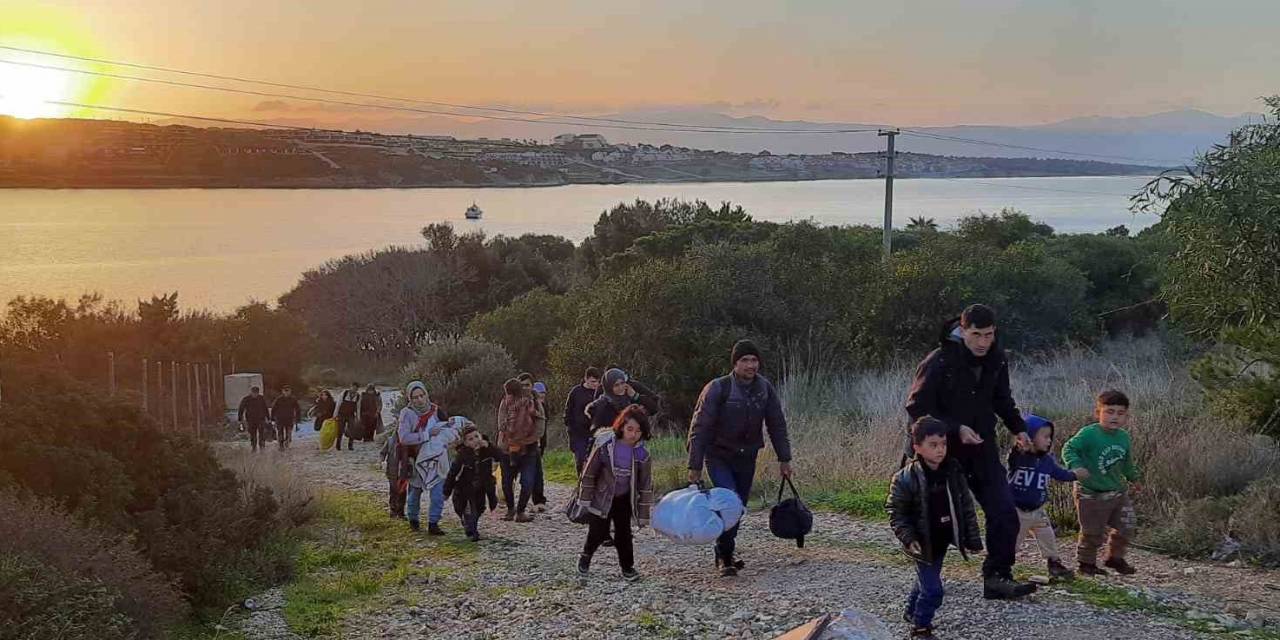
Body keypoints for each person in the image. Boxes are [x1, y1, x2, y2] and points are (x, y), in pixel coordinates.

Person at [904, 304, 1037, 600]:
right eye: (976, 334)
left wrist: (1019, 428)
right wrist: (955, 428)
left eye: (988, 335)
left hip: (982, 447)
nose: (982, 342)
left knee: (1003, 510)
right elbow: (916, 408)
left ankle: (998, 577)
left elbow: (1003, 399)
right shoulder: (939, 361)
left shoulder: (997, 360)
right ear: (963, 331)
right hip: (941, 450)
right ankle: (926, 588)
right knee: (936, 520)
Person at [686, 340, 792, 577]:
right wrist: (694, 465)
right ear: (735, 363)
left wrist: (785, 459)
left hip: (747, 456)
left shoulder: (765, 388)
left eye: (754, 360)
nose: (750, 365)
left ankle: (724, 549)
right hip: (718, 455)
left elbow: (777, 424)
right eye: (745, 360)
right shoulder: (718, 388)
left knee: (738, 506)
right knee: (730, 501)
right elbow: (699, 427)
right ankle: (725, 555)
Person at [887, 417, 984, 640]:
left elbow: (965, 506)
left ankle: (911, 611)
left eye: (943, 444)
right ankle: (920, 627)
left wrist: (972, 539)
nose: (940, 450)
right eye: (933, 445)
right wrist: (908, 537)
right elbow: (897, 512)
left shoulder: (952, 470)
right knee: (933, 590)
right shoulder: (905, 478)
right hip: (922, 542)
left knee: (925, 581)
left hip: (941, 540)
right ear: (917, 447)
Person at [1063, 389, 1142, 576]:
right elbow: (1069, 448)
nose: (1114, 417)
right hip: (1091, 493)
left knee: (1127, 525)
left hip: (1116, 492)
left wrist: (1134, 478)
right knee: (1092, 532)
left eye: (1120, 413)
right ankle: (1086, 563)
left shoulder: (1123, 437)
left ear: (1126, 416)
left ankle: (1114, 558)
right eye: (1109, 411)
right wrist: (1076, 466)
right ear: (1098, 413)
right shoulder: (1089, 434)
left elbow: (1127, 462)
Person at [576, 404, 654, 586]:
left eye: (638, 431)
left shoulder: (642, 454)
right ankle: (585, 557)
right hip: (602, 496)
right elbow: (590, 471)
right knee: (597, 532)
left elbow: (645, 485)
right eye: (630, 429)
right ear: (621, 427)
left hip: (623, 499)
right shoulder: (606, 446)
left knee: (624, 534)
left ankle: (627, 567)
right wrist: (585, 498)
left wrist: (643, 515)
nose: (633, 434)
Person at [1007, 414, 1089, 580]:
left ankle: (1054, 563)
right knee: (1012, 542)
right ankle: (1002, 565)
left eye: (1050, 437)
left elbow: (1060, 474)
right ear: (1029, 437)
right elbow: (1014, 454)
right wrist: (1021, 443)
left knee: (1047, 536)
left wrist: (1074, 474)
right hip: (1018, 510)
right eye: (1044, 436)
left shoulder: (1047, 461)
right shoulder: (1018, 458)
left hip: (1038, 509)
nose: (1049, 440)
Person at [397, 381, 455, 534]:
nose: (419, 400)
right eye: (415, 397)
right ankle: (413, 520)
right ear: (410, 398)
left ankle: (433, 523)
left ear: (426, 394)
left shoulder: (436, 411)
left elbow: (446, 431)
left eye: (422, 395)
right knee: (415, 492)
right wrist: (426, 435)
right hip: (416, 459)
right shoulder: (407, 413)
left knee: (437, 493)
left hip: (437, 459)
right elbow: (403, 437)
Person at [443, 424, 500, 542]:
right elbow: (452, 473)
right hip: (464, 488)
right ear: (465, 443)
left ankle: (470, 526)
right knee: (465, 509)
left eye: (476, 436)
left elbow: (501, 456)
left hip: (482, 487)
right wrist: (446, 491)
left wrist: (489, 446)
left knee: (479, 508)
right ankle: (472, 531)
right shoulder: (462, 456)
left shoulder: (487, 451)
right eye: (470, 439)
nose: (475, 440)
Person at [496, 377, 541, 523]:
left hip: (528, 447)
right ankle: (511, 509)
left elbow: (540, 422)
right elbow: (501, 424)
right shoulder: (506, 403)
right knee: (507, 482)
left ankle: (520, 511)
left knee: (527, 481)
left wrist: (526, 439)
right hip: (507, 448)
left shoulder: (531, 400)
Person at [586, 368, 660, 431]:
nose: (621, 387)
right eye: (616, 385)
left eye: (622, 383)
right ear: (609, 387)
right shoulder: (602, 404)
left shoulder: (630, 397)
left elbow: (654, 409)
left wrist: (636, 396)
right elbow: (596, 430)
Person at [564, 367, 602, 474]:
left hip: (595, 433)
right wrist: (570, 429)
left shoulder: (599, 393)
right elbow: (568, 411)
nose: (595, 384)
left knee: (595, 461)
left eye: (597, 382)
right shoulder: (576, 392)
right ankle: (581, 482)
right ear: (586, 379)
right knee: (580, 460)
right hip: (578, 433)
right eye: (593, 382)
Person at [530, 380, 550, 512]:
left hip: (539, 444)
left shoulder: (545, 407)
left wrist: (542, 445)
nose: (542, 397)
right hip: (528, 443)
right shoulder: (529, 406)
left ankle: (539, 500)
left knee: (537, 473)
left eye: (543, 394)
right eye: (539, 394)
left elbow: (544, 429)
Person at [380, 422, 406, 519]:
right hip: (392, 470)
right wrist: (382, 461)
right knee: (393, 491)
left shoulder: (408, 442)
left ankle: (401, 512)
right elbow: (382, 452)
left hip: (404, 470)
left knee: (403, 492)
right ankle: (393, 510)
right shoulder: (390, 441)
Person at [237, 386, 270, 452]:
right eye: (253, 393)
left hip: (260, 419)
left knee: (261, 433)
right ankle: (254, 446)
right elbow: (241, 409)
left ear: (258, 393)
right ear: (251, 392)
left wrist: (268, 417)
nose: (255, 394)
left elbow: (265, 408)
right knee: (252, 433)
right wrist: (240, 419)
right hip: (251, 419)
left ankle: (262, 446)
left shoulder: (261, 398)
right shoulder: (246, 399)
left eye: (256, 393)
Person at [270, 385, 302, 450]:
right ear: (282, 391)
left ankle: (287, 443)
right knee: (280, 432)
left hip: (289, 418)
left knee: (288, 432)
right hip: (280, 419)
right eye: (285, 391)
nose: (287, 392)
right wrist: (272, 418)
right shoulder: (279, 399)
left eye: (288, 391)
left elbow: (297, 409)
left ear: (290, 391)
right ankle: (281, 445)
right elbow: (274, 408)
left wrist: (298, 418)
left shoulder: (293, 399)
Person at [336, 383, 361, 451]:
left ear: (357, 389)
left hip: (351, 414)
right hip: (342, 414)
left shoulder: (358, 396)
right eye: (353, 387)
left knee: (352, 430)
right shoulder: (344, 393)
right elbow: (338, 404)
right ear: (350, 387)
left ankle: (350, 445)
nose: (354, 389)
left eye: (355, 388)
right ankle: (338, 445)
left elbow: (358, 407)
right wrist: (335, 415)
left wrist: (358, 417)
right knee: (340, 429)